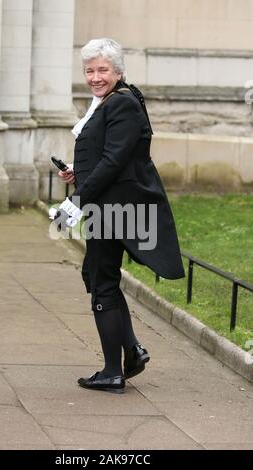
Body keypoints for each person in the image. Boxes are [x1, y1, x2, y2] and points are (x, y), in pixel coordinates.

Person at [53, 38, 185, 394]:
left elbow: (114, 162)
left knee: (101, 281)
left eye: (102, 70)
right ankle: (132, 350)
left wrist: (74, 202)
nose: (95, 77)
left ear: (118, 71)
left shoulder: (122, 104)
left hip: (117, 208)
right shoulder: (108, 102)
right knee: (97, 275)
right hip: (109, 205)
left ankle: (114, 370)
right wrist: (76, 172)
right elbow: (107, 156)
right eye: (89, 70)